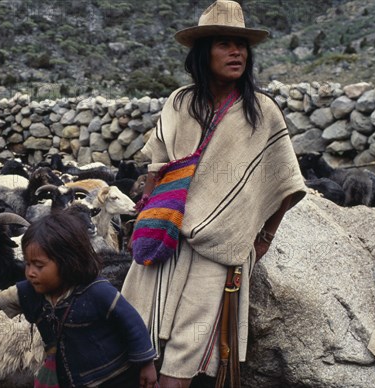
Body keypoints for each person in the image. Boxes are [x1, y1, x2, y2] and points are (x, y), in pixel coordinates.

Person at [122, 1, 307, 387]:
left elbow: (287, 182)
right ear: (203, 53)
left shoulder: (263, 112)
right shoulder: (179, 102)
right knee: (142, 338)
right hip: (167, 235)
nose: (236, 52)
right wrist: (144, 223)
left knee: (185, 357)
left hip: (221, 247)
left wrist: (265, 238)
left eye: (241, 45)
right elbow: (157, 167)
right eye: (224, 44)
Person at [0, 212, 158, 388]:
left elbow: (132, 324)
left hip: (115, 377)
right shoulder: (30, 291)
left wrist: (146, 364)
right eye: (28, 263)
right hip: (69, 377)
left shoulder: (98, 292)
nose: (29, 271)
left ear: (68, 262)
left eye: (39, 265)